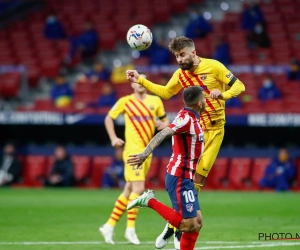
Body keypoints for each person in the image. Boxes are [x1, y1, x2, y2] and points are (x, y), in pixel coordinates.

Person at [126, 36, 245, 248]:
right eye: (176, 56)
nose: (179, 60)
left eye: (182, 55)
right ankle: (176, 224)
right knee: (188, 180)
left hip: (215, 131)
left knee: (197, 181)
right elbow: (165, 92)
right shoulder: (180, 75)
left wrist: (223, 94)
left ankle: (173, 226)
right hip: (194, 131)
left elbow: (240, 87)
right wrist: (140, 80)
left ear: (193, 52)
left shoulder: (214, 67)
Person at [127, 86, 206, 250]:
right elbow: (163, 133)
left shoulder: (189, 116)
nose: (206, 100)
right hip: (179, 177)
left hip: (186, 178)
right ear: (199, 103)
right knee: (187, 225)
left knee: (197, 223)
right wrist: (145, 153)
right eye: (204, 98)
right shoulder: (186, 119)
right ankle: (149, 201)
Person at [99, 72, 170, 245]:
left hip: (148, 151)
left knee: (129, 190)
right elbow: (109, 118)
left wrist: (164, 125)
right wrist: (113, 138)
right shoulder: (125, 101)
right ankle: (130, 229)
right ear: (132, 84)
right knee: (139, 189)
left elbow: (166, 121)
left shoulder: (156, 102)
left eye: (142, 80)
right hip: (132, 151)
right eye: (136, 81)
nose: (139, 83)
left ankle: (109, 226)